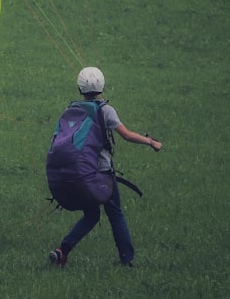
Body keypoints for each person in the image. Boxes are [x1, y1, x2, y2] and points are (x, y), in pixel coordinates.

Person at [47, 66, 162, 269]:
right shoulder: (105, 110)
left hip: (81, 173)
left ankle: (62, 251)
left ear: (79, 87)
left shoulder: (71, 110)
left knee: (91, 215)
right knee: (115, 213)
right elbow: (125, 135)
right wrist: (150, 141)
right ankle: (127, 260)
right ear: (102, 86)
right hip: (100, 175)